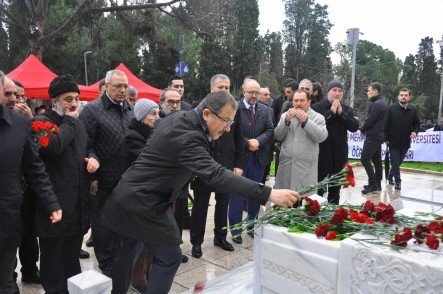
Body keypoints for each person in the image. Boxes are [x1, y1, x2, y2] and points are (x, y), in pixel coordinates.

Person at [100, 90, 300, 294]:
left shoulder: (180, 118)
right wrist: (269, 194)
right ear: (206, 114)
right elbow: (218, 175)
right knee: (169, 258)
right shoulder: (189, 136)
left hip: (135, 194)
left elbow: (159, 135)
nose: (229, 128)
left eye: (231, 122)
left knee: (129, 251)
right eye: (226, 121)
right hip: (142, 201)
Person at [30, 75, 99, 293]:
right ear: (54, 102)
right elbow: (53, 147)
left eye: (76, 98)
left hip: (77, 206)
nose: (74, 103)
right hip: (54, 208)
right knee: (53, 262)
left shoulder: (77, 124)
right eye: (68, 99)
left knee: (71, 259)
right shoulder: (40, 123)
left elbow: (86, 147)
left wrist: (93, 157)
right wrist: (70, 121)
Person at [0, 70, 62, 294]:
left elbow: (34, 168)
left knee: (5, 282)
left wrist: (52, 203)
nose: (13, 99)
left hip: (5, 218)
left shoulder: (19, 124)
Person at [79, 69, 134, 277]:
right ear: (106, 87)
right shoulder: (92, 111)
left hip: (126, 180)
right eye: (118, 86)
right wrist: (92, 176)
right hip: (101, 182)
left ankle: (119, 265)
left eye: (125, 86)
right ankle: (107, 268)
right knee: (102, 227)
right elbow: (85, 146)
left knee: (122, 225)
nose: (122, 90)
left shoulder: (131, 110)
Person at [189, 74, 246, 259]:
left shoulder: (234, 109)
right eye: (220, 87)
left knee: (223, 205)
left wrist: (238, 164)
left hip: (226, 166)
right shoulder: (198, 108)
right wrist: (194, 168)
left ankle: (220, 237)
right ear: (211, 89)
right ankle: (196, 242)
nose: (224, 91)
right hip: (203, 167)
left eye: (227, 88)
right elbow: (191, 141)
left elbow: (239, 139)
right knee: (200, 206)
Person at [114, 98, 160, 294]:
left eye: (158, 113)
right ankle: (120, 288)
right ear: (141, 117)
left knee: (145, 245)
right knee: (129, 250)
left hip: (147, 200)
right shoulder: (133, 137)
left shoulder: (150, 133)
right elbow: (149, 161)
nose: (157, 118)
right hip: (134, 201)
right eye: (153, 114)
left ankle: (143, 278)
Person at [228, 79, 274, 244]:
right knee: (237, 195)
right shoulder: (235, 108)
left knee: (256, 193)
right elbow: (231, 132)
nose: (254, 96)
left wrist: (259, 141)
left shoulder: (265, 110)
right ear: (243, 90)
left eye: (257, 92)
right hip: (239, 159)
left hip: (258, 159)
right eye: (251, 92)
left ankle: (252, 225)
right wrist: (247, 142)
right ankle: (235, 230)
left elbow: (270, 130)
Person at [11, 80, 41, 287]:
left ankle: (30, 269)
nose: (19, 101)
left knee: (30, 232)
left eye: (22, 96)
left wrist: (31, 122)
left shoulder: (29, 120)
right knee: (9, 233)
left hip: (29, 187)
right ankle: (9, 275)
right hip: (9, 189)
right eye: (14, 95)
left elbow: (40, 151)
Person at [311, 80, 359, 204]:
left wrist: (341, 113)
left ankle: (332, 216)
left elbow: (354, 127)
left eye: (340, 91)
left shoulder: (347, 109)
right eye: (334, 90)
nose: (337, 93)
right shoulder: (317, 107)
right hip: (321, 154)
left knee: (335, 191)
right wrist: (331, 113)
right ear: (328, 92)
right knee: (318, 189)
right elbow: (315, 126)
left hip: (339, 156)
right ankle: (316, 216)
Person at [274, 89, 328, 199]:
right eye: (296, 100)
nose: (298, 104)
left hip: (305, 170)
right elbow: (278, 135)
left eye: (302, 100)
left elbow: (321, 137)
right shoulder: (286, 115)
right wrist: (286, 121)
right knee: (284, 206)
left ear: (309, 102)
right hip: (286, 168)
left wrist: (306, 121)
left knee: (302, 206)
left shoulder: (318, 117)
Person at [384, 88, 420, 190]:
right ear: (398, 97)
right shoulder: (391, 108)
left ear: (409, 97)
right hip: (393, 140)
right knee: (395, 162)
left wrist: (415, 132)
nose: (403, 97)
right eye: (401, 95)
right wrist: (386, 138)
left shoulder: (412, 109)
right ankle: (398, 182)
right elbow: (386, 124)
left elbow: (417, 123)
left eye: (405, 95)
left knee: (398, 162)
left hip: (405, 141)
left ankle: (390, 176)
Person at [360, 82, 388, 194]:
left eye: (369, 90)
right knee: (376, 161)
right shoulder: (382, 103)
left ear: (375, 91)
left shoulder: (377, 104)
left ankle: (373, 184)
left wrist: (363, 129)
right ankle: (377, 184)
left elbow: (370, 119)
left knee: (364, 159)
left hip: (373, 136)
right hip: (378, 136)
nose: (368, 93)